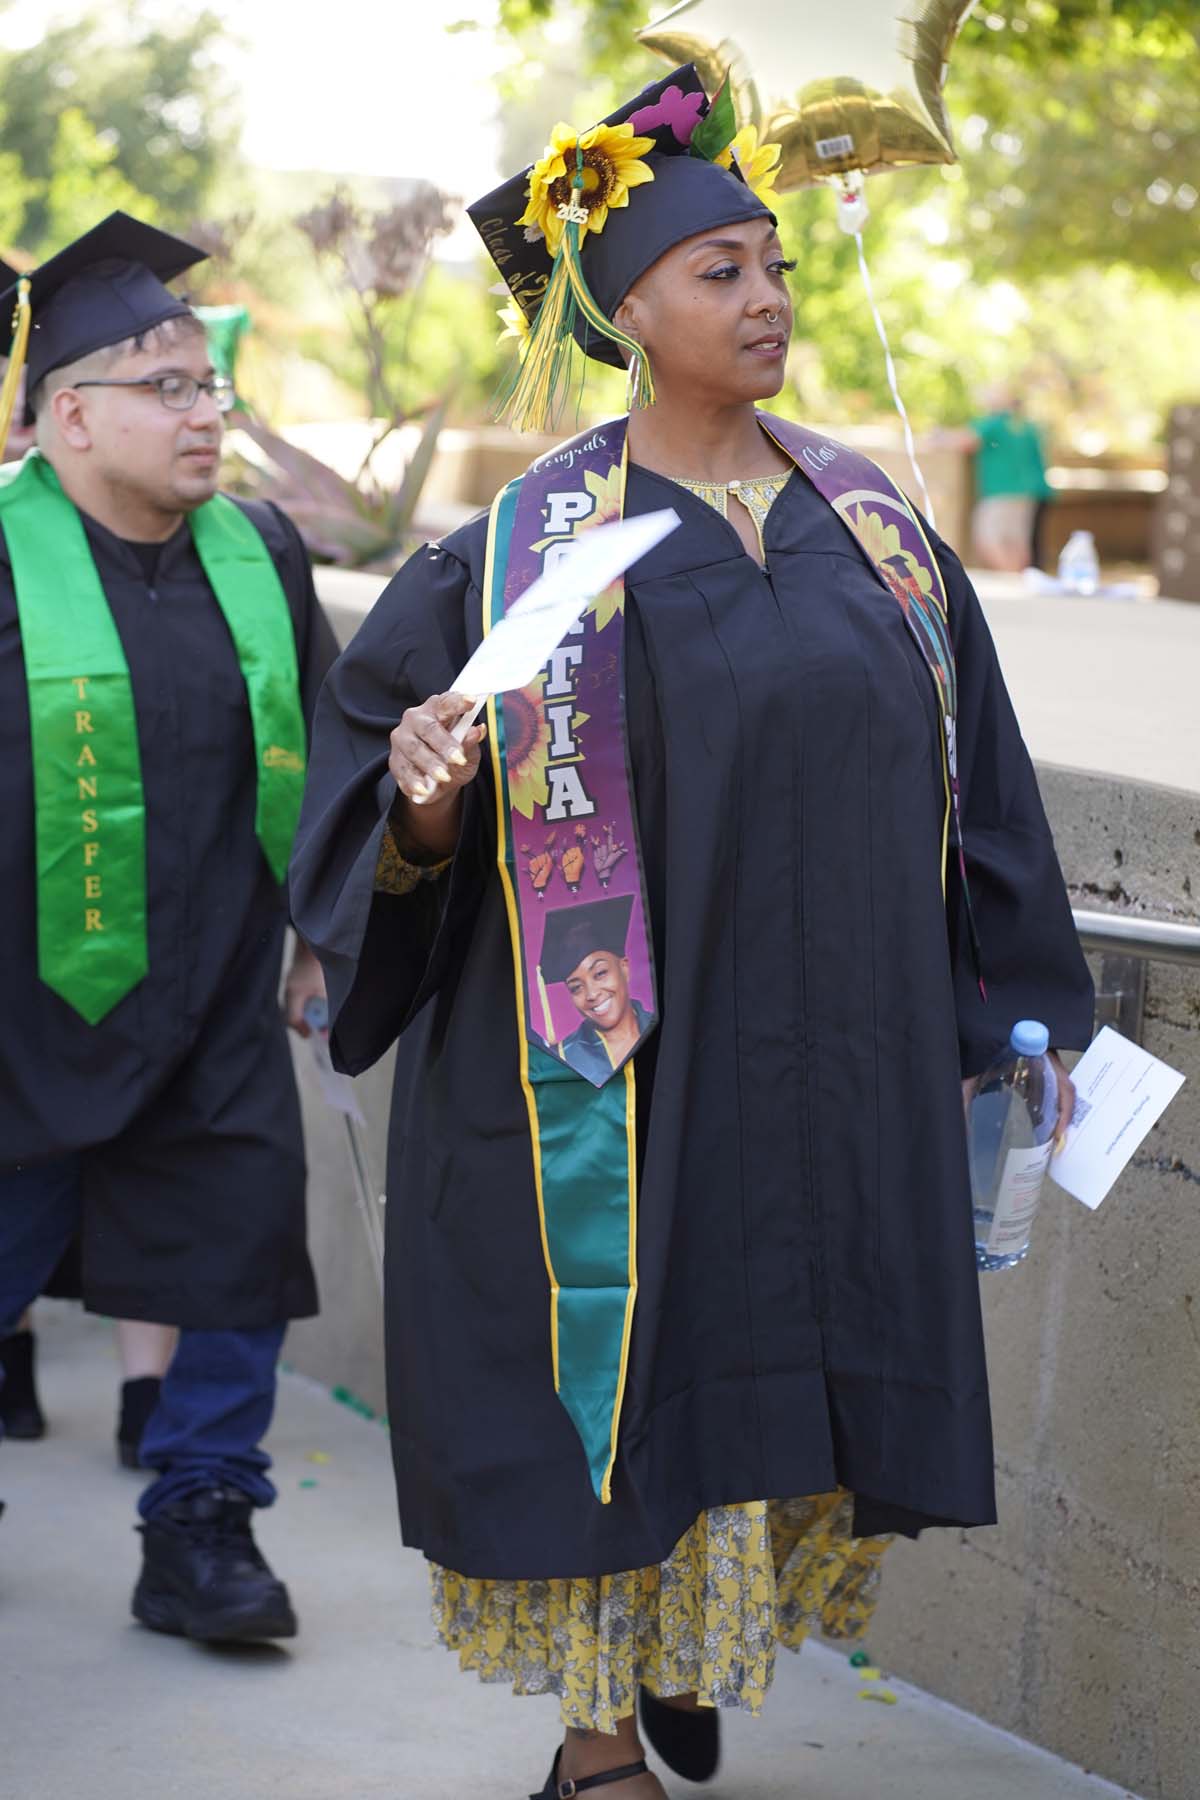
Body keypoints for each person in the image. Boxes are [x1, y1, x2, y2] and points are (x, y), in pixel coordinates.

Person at [290, 67, 1094, 1798]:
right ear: (627, 305)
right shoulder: (520, 553)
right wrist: (426, 799)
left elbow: (992, 791)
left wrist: (1027, 1024)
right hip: (621, 1083)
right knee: (623, 1397)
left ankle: (694, 1651)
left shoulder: (875, 531)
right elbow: (390, 796)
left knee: (782, 1377)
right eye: (721, 269)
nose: (768, 300)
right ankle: (598, 1741)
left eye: (776, 264)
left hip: (832, 1070)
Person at [0, 212, 337, 1642]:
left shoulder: (259, 556)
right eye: (172, 390)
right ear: (68, 414)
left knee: (236, 1255)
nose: (208, 416)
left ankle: (202, 1523)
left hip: (209, 1003)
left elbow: (334, 743)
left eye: (213, 389)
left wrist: (325, 923)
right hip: (14, 1017)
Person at [536, 896, 653, 1080]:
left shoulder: (660, 1027)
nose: (591, 994)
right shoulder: (565, 1058)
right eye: (576, 988)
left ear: (624, 968)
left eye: (600, 973)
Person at [966, 383, 1053, 572]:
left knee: (987, 538)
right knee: (1017, 541)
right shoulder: (1026, 426)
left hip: (1000, 491)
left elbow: (967, 441)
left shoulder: (994, 423)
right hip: (1027, 492)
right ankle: (1018, 579)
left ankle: (1009, 577)